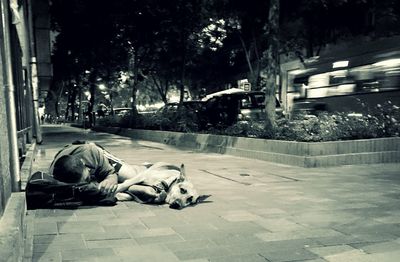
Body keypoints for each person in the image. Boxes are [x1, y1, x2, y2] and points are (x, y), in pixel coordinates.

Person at [49, 142, 166, 202]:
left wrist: (110, 180)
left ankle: (146, 166)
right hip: (68, 154)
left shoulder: (92, 153)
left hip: (94, 150)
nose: (89, 173)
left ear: (84, 164)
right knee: (128, 183)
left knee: (131, 175)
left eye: (88, 176)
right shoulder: (57, 174)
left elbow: (111, 173)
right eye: (84, 181)